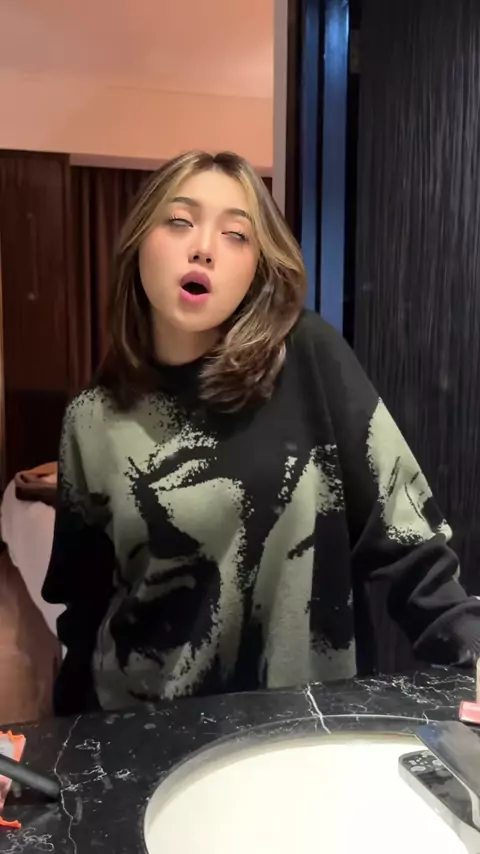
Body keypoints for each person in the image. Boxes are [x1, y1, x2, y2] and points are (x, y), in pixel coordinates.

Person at [43, 150, 480, 716]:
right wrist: (67, 746)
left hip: (304, 731)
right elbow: (83, 614)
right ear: (138, 241)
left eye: (236, 235)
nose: (204, 248)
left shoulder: (306, 359)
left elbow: (409, 543)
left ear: (257, 267)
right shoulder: (91, 417)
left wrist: (469, 648)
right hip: (143, 730)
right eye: (179, 221)